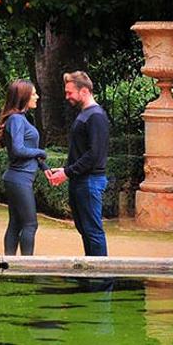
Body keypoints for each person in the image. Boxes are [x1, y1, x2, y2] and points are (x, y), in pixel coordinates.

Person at [46, 71, 110, 256]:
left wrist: (67, 172)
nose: (67, 97)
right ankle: (91, 273)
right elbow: (82, 151)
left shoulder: (96, 116)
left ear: (84, 91)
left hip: (90, 181)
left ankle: (101, 279)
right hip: (80, 180)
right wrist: (66, 170)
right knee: (85, 229)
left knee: (93, 231)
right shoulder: (86, 114)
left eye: (69, 92)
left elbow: (94, 155)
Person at [0, 78, 48, 255]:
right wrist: (40, 152)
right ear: (23, 96)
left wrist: (45, 167)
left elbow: (29, 150)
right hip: (19, 179)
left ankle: (9, 264)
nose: (37, 97)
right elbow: (18, 150)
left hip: (18, 179)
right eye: (33, 94)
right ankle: (27, 266)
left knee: (16, 223)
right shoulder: (17, 119)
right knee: (30, 224)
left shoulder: (20, 119)